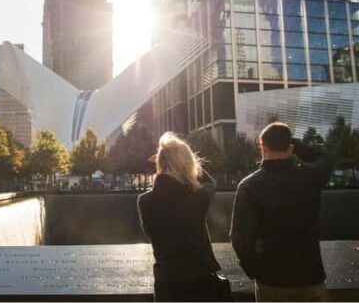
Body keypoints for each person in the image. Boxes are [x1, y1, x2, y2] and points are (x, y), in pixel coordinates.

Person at [230, 122, 333, 302]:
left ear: (262, 146)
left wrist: (255, 271)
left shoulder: (248, 186)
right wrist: (295, 145)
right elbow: (324, 158)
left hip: (272, 279)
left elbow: (240, 238)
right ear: (290, 147)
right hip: (310, 276)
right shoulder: (311, 176)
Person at [137, 132, 225, 302]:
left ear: (160, 163)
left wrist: (165, 160)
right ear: (187, 164)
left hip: (166, 282)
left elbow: (149, 234)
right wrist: (185, 162)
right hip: (200, 280)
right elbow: (210, 183)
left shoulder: (145, 201)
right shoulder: (198, 197)